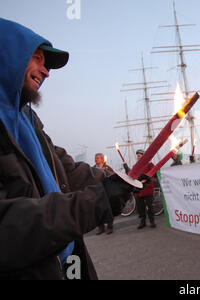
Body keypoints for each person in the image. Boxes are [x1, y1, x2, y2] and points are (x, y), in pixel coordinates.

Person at [0, 18, 135, 279]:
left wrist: (119, 181)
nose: (47, 71)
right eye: (38, 59)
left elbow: (67, 170)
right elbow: (8, 226)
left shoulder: (30, 122)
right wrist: (97, 202)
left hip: (68, 263)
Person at [134, 150, 160, 229]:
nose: (138, 156)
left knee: (150, 206)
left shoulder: (149, 164)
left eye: (140, 155)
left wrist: (147, 177)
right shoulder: (136, 165)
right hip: (139, 190)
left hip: (147, 189)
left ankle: (152, 221)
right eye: (137, 155)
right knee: (140, 207)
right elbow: (132, 175)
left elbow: (154, 173)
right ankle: (143, 221)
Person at [93, 153, 115, 235]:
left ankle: (110, 227)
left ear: (102, 159)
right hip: (97, 191)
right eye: (95, 158)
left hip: (106, 191)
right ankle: (101, 227)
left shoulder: (107, 167)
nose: (96, 159)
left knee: (109, 209)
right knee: (98, 210)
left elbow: (113, 176)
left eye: (98, 158)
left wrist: (107, 172)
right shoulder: (92, 168)